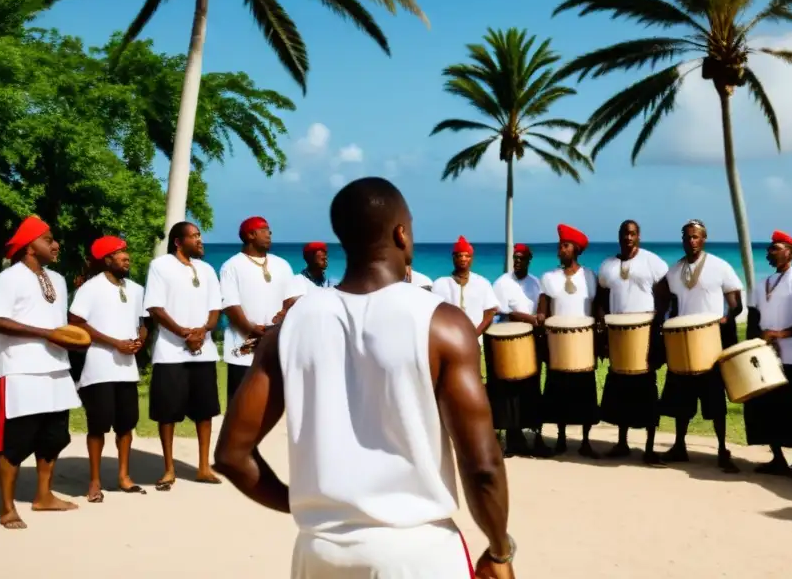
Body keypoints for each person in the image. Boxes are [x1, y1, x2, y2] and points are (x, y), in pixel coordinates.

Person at [214, 177, 515, 578]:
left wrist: (315, 505)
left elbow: (232, 456)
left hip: (319, 553)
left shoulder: (289, 327)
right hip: (416, 552)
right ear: (401, 233)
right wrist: (499, 551)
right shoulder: (441, 323)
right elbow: (482, 465)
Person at [0, 216, 83, 529]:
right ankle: (7, 508)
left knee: (53, 438)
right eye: (48, 240)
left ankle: (44, 497)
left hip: (56, 369)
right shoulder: (8, 279)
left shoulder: (59, 279)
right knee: (14, 442)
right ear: (30, 246)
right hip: (19, 371)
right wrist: (45, 334)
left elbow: (58, 322)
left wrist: (73, 338)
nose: (56, 245)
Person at [653, 219, 742, 473]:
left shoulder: (719, 267)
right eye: (687, 237)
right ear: (682, 241)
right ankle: (679, 446)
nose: (691, 241)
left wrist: (726, 320)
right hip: (682, 343)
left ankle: (723, 449)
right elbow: (662, 298)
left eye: (695, 237)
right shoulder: (673, 271)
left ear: (703, 239)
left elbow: (737, 304)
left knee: (715, 401)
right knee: (682, 401)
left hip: (710, 343)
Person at [144, 222, 223, 491]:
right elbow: (155, 307)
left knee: (205, 412)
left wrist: (202, 331)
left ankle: (203, 467)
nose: (200, 240)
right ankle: (169, 469)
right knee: (168, 413)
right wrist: (183, 333)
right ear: (178, 241)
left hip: (203, 351)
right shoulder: (161, 266)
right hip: (170, 353)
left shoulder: (207, 269)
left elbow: (215, 309)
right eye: (195, 236)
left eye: (200, 235)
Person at [68, 236, 147, 502]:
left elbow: (143, 322)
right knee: (98, 426)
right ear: (107, 259)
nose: (127, 257)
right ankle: (94, 482)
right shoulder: (91, 288)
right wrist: (114, 343)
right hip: (99, 369)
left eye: (126, 252)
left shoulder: (136, 289)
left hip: (127, 370)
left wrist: (140, 340)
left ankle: (124, 477)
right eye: (120, 253)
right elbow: (76, 322)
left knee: (126, 426)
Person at [743, 231, 792, 481]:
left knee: (789, 408)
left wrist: (781, 334)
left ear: (790, 252)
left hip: (790, 357)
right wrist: (760, 340)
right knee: (764, 408)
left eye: (775, 248)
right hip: (764, 355)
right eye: (769, 248)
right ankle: (777, 458)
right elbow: (753, 319)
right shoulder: (761, 283)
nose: (770, 251)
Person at [596, 220, 668, 464]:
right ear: (618, 236)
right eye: (625, 233)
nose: (628, 237)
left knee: (647, 390)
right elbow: (602, 299)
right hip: (617, 334)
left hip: (645, 333)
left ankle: (649, 447)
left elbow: (665, 295)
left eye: (633, 233)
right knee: (620, 390)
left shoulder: (652, 261)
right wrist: (603, 328)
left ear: (638, 236)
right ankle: (622, 443)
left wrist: (657, 321)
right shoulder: (607, 265)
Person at [538, 224, 600, 458]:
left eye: (565, 246)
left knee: (584, 392)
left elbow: (596, 309)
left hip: (583, 343)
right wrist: (541, 319)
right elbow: (543, 309)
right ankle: (561, 439)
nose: (560, 250)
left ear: (576, 250)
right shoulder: (549, 278)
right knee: (559, 391)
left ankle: (585, 441)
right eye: (560, 246)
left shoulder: (590, 277)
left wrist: (598, 340)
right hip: (558, 343)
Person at [219, 216, 294, 402]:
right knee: (240, 402)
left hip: (275, 344)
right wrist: (252, 330)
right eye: (265, 230)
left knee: (272, 403)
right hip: (243, 347)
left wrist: (283, 314)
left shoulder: (282, 265)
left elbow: (291, 299)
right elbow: (229, 305)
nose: (270, 234)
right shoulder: (231, 266)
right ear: (251, 235)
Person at [491, 244, 550, 457]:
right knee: (510, 391)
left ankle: (536, 437)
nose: (517, 261)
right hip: (510, 343)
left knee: (532, 389)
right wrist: (533, 319)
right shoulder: (502, 283)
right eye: (515, 258)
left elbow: (543, 306)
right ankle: (512, 436)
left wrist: (540, 317)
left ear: (528, 260)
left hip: (532, 341)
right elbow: (508, 314)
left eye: (521, 258)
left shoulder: (536, 283)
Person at [431, 236, 499, 339]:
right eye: (459, 256)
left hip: (476, 341)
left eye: (467, 256)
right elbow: (433, 314)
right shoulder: (440, 284)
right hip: (448, 341)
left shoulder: (482, 283)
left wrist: (474, 335)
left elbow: (489, 314)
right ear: (453, 258)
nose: (463, 259)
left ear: (472, 259)